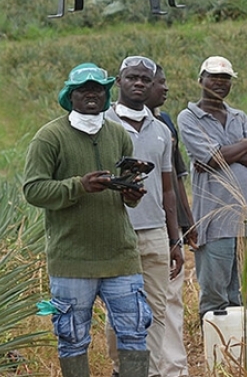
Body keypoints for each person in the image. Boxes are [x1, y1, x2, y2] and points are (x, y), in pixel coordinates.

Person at [22, 63, 152, 377]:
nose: (92, 94)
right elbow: (33, 190)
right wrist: (79, 186)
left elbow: (125, 189)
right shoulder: (49, 137)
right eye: (84, 89)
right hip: (72, 260)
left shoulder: (118, 134)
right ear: (70, 95)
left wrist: (131, 194)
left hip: (120, 256)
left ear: (107, 95)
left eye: (98, 89)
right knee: (72, 339)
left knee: (134, 333)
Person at [104, 55, 184, 377]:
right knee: (120, 313)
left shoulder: (162, 130)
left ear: (152, 86)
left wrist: (174, 237)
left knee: (156, 312)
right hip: (117, 231)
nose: (138, 83)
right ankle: (121, 369)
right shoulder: (105, 124)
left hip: (155, 234)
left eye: (145, 80)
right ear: (119, 81)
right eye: (132, 77)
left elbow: (168, 189)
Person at [177, 56, 247, 318]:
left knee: (246, 295)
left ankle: (243, 353)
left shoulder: (239, 116)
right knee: (215, 297)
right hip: (215, 222)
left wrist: (224, 154)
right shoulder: (189, 117)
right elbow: (212, 158)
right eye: (213, 77)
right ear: (200, 80)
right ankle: (216, 353)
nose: (219, 82)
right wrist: (245, 144)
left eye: (225, 78)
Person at [144, 62, 197, 377]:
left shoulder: (165, 122)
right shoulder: (113, 124)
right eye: (159, 83)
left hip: (167, 227)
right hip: (137, 227)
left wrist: (185, 221)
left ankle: (174, 369)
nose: (165, 88)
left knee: (171, 299)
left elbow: (176, 178)